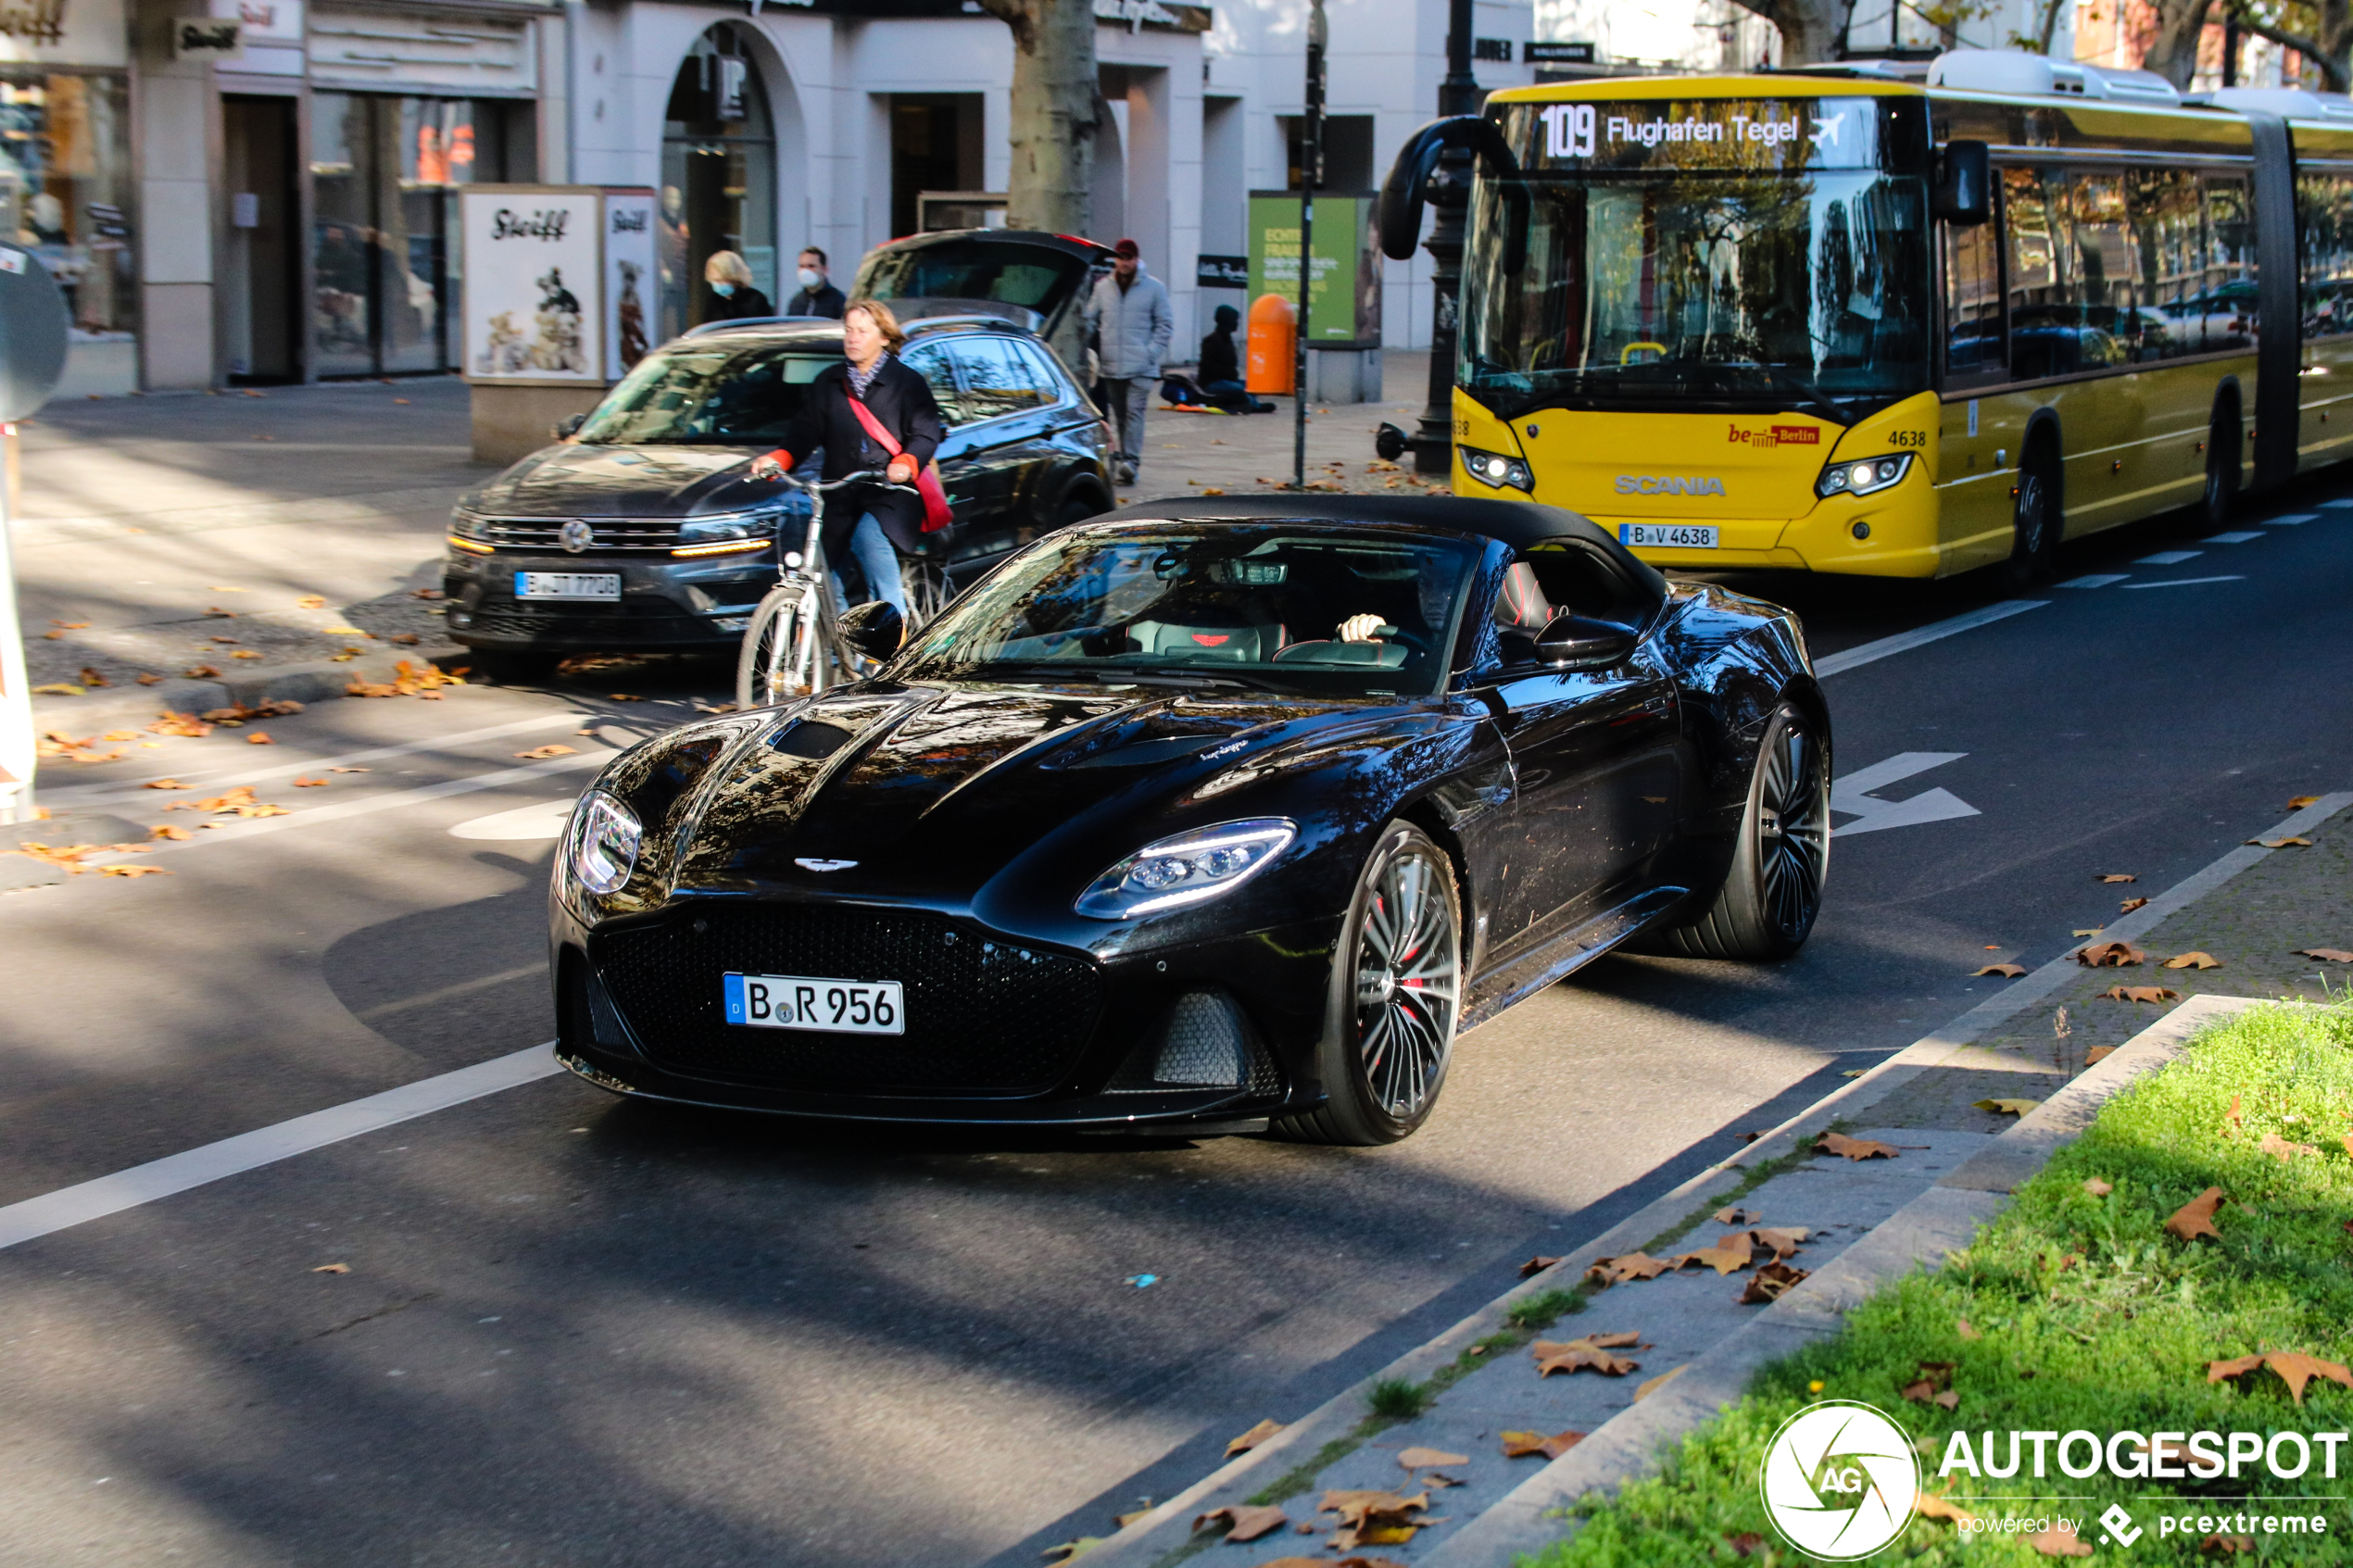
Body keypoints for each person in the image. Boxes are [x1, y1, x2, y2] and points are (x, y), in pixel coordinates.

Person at [751, 298, 943, 628]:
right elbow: (805, 431)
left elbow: (926, 432)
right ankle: (843, 656)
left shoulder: (906, 382)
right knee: (827, 577)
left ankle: (892, 643)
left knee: (867, 540)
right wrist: (779, 458)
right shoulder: (829, 383)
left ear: (884, 337)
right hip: (840, 492)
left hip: (889, 495)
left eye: (862, 331)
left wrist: (906, 462)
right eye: (849, 330)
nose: (853, 338)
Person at [1082, 238, 1173, 487]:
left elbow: (1165, 324)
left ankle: (1131, 462)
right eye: (1120, 257)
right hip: (1112, 364)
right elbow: (1090, 319)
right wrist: (1086, 349)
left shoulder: (1154, 288)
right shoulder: (1103, 288)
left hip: (1141, 365)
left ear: (1136, 259)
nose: (1124, 262)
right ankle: (1124, 459)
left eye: (1129, 257)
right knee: (1120, 414)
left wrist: (1151, 353)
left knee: (1135, 412)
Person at [1197, 303, 1273, 414]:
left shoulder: (1228, 340)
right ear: (1227, 321)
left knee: (1250, 386)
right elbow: (1210, 367)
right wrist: (1229, 375)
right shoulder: (1212, 341)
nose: (1237, 324)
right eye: (1235, 320)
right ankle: (1251, 406)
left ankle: (1252, 404)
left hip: (1227, 380)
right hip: (1212, 383)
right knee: (1237, 389)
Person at [700, 250, 774, 323]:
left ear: (734, 277)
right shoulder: (713, 301)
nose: (718, 284)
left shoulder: (755, 299)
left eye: (722, 280)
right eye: (715, 281)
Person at [785, 247, 846, 319]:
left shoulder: (838, 300)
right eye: (802, 266)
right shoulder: (796, 301)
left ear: (824, 269)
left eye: (811, 266)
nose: (805, 271)